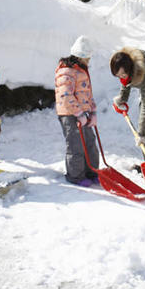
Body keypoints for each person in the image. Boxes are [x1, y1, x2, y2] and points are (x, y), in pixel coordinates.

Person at [55, 35, 99, 186]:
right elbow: (65, 95)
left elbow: (87, 94)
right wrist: (78, 113)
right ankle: (76, 176)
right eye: (87, 59)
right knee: (76, 145)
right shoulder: (66, 71)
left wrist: (92, 112)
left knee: (90, 142)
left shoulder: (81, 71)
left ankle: (92, 171)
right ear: (80, 57)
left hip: (83, 114)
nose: (89, 62)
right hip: (69, 114)